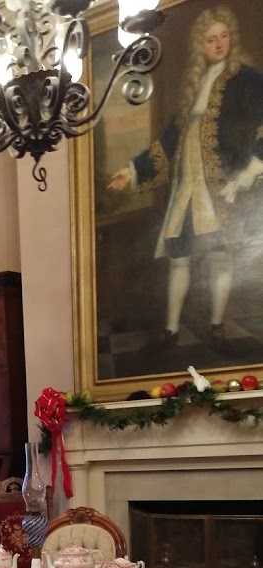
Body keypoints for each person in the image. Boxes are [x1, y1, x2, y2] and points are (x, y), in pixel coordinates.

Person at [108, 6, 263, 353]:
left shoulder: (248, 80)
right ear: (200, 45)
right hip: (187, 187)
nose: (219, 44)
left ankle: (217, 326)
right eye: (211, 39)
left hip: (224, 184)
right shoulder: (194, 86)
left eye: (224, 36)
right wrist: (132, 170)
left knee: (221, 256)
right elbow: (168, 143)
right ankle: (171, 330)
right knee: (179, 256)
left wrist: (249, 171)